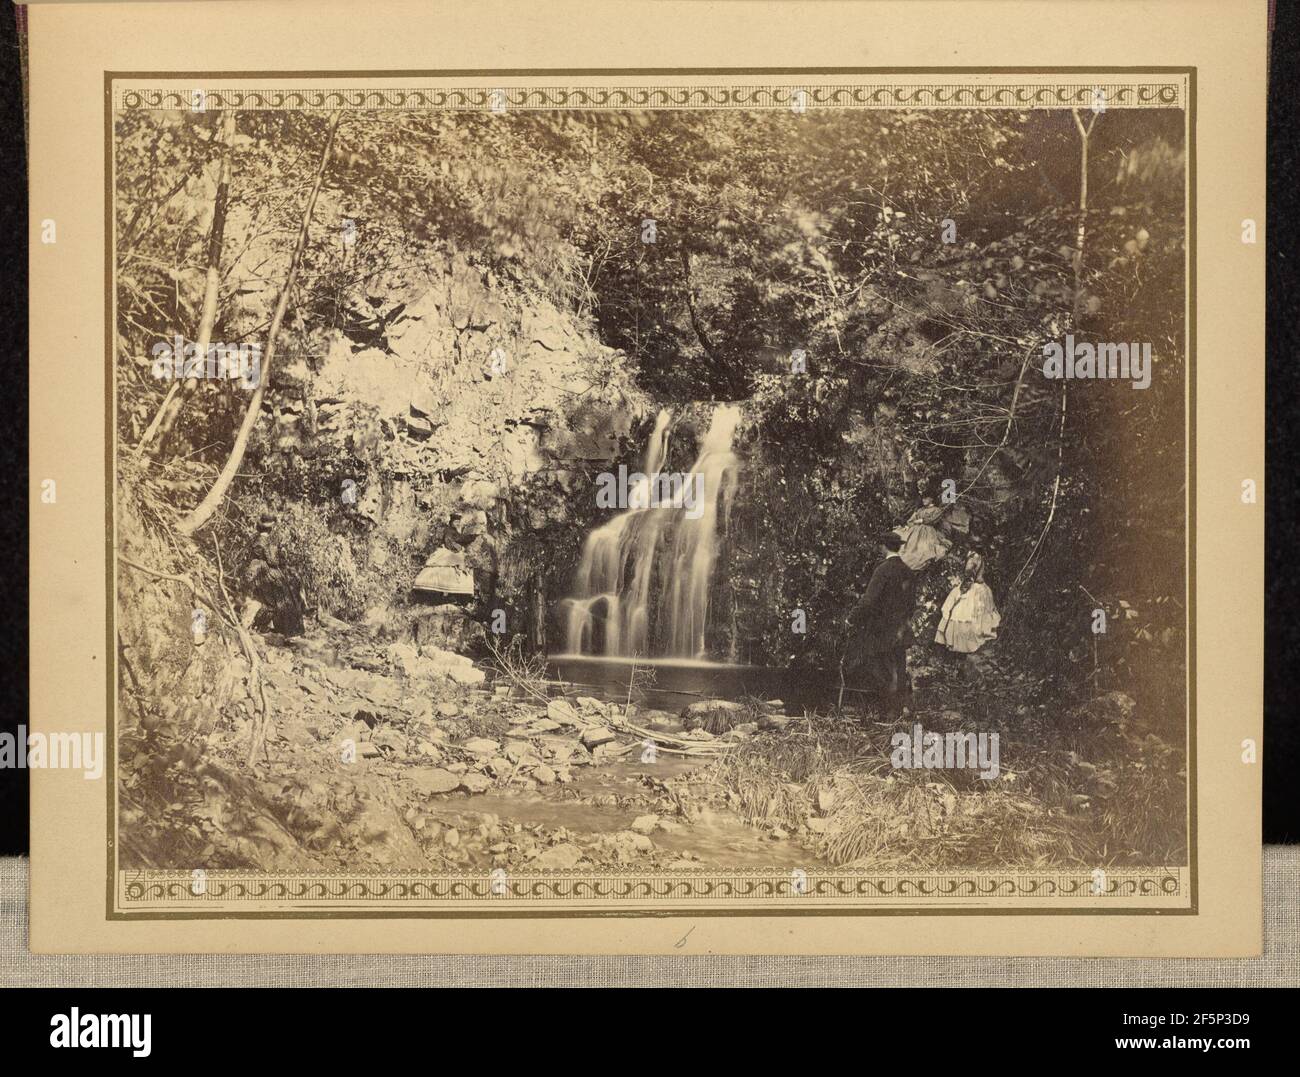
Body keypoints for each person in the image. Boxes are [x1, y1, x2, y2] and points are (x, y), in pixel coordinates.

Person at [844, 532, 917, 715]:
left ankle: (888, 714)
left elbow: (868, 601)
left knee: (884, 672)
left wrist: (851, 618)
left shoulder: (883, 570)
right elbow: (912, 604)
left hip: (883, 630)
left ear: (883, 546)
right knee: (899, 670)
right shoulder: (908, 570)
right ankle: (898, 712)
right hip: (902, 629)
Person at [935, 551, 1000, 655]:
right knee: (961, 611)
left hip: (976, 585)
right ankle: (960, 647)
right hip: (971, 584)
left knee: (974, 611)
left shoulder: (976, 557)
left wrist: (972, 577)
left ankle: (969, 643)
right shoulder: (973, 556)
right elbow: (969, 571)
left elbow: (974, 571)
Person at [894, 494, 953, 571]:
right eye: (923, 498)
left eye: (926, 498)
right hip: (914, 530)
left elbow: (933, 520)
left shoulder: (936, 510)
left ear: (931, 499)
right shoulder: (920, 510)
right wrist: (909, 525)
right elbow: (911, 520)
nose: (923, 500)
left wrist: (922, 520)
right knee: (902, 537)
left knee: (923, 549)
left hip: (928, 531)